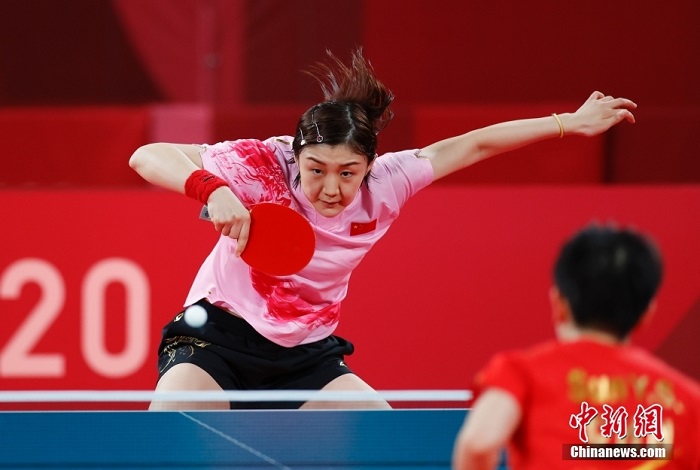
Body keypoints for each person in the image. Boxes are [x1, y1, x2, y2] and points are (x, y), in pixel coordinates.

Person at [129, 48, 637, 410]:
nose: (331, 187)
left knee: (383, 443)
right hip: (215, 338)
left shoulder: (390, 184)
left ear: (370, 166)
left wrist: (568, 122)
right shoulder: (264, 163)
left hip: (306, 354)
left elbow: (472, 145)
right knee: (174, 441)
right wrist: (210, 189)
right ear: (296, 157)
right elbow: (147, 155)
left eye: (348, 173)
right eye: (316, 170)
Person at [452, 224, 700, 469]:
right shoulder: (689, 400)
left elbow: (478, 444)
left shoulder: (521, 372)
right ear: (646, 315)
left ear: (559, 303)